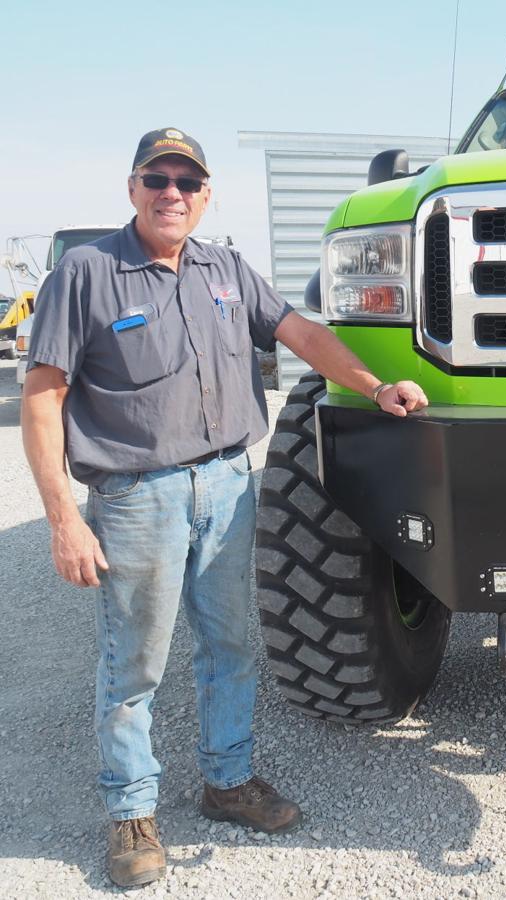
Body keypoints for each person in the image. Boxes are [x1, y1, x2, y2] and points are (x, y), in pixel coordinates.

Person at [20, 127, 428, 888]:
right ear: (133, 187)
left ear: (206, 195)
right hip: (138, 496)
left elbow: (301, 331)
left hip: (230, 485)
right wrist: (63, 519)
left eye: (187, 181)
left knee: (232, 646)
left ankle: (227, 781)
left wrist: (374, 386)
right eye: (157, 178)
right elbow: (44, 399)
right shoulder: (87, 273)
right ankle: (131, 813)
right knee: (134, 662)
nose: (172, 193)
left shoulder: (227, 268)